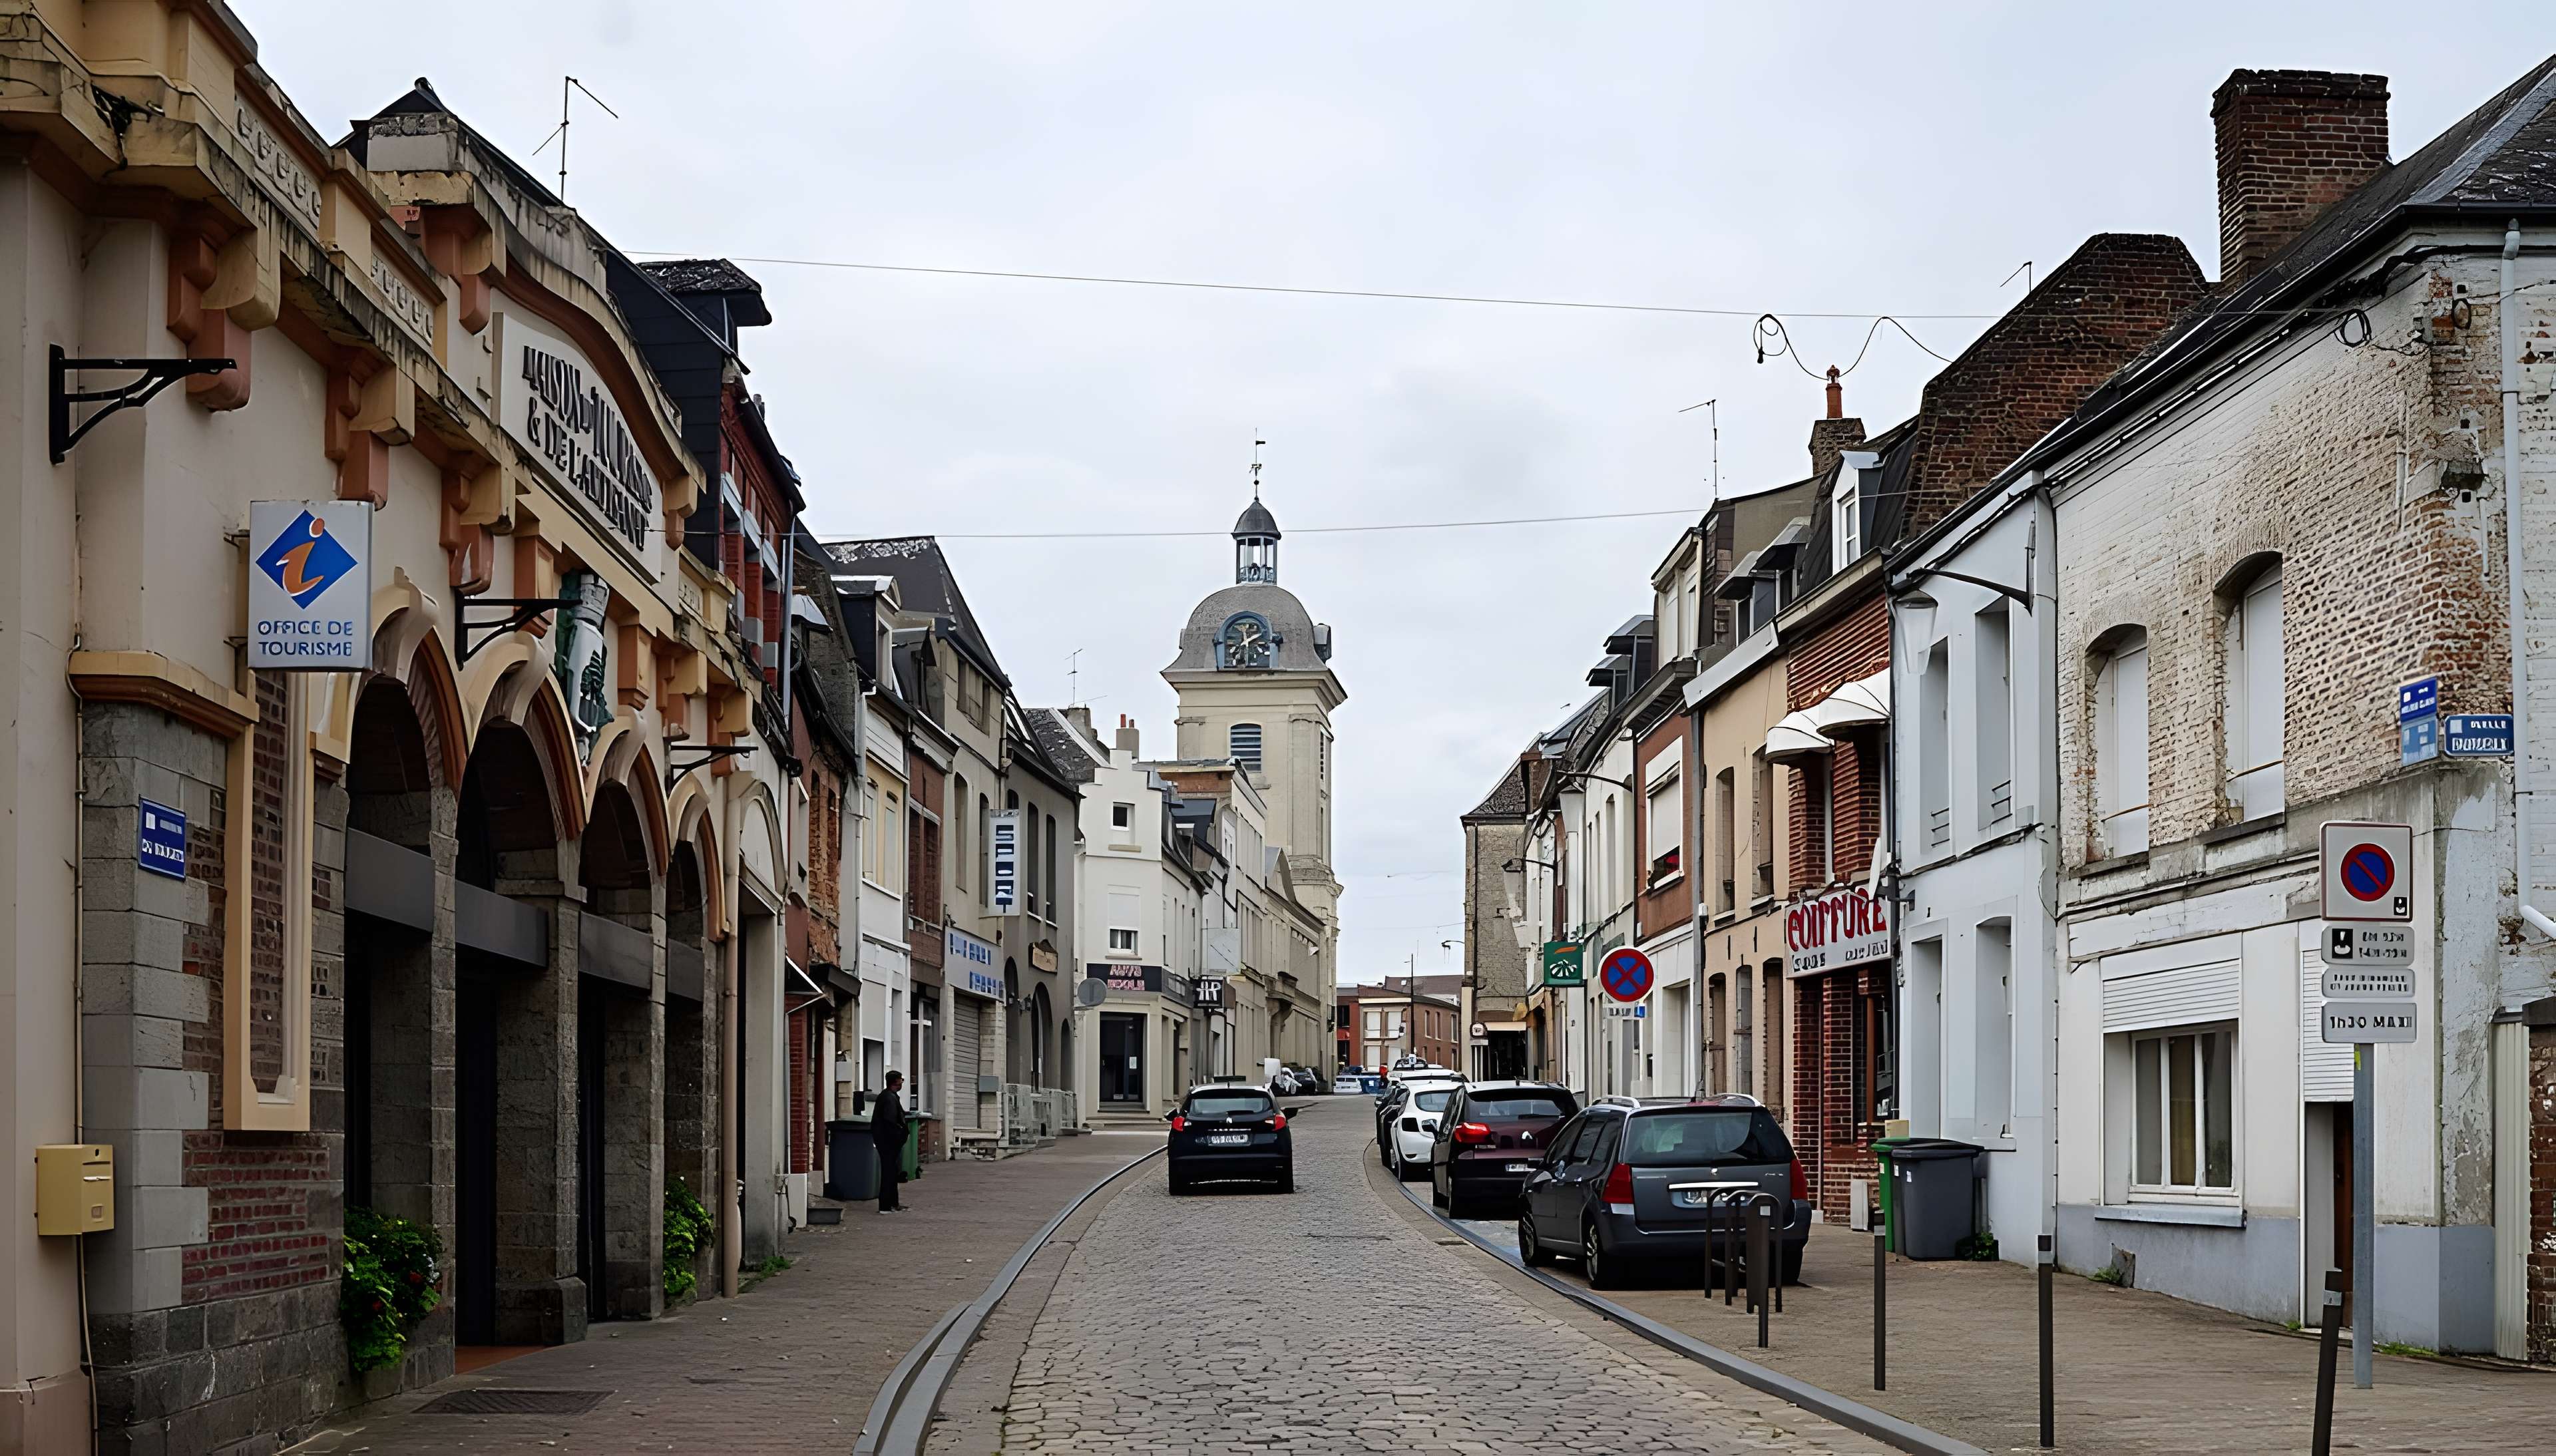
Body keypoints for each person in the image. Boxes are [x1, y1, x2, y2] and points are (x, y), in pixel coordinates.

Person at [871, 1069, 909, 1213]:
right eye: (901, 1080)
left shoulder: (889, 1096)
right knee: (889, 1172)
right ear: (896, 1082)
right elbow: (890, 1121)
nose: (902, 1083)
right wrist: (899, 1135)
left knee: (892, 1171)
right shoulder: (889, 1098)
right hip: (888, 1142)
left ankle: (893, 1203)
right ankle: (886, 1205)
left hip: (887, 1141)